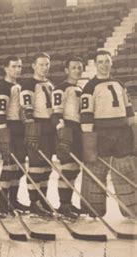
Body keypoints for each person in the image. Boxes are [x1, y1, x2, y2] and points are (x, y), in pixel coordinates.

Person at [80, 50, 137, 218]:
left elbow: (129, 111)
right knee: (96, 171)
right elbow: (86, 115)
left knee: (127, 170)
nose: (105, 65)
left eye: (107, 61)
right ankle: (93, 210)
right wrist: (88, 144)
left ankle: (132, 209)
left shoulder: (119, 83)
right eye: (101, 62)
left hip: (122, 134)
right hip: (101, 135)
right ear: (96, 64)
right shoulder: (90, 87)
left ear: (111, 63)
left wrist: (134, 130)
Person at [19, 52, 55, 218]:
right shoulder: (28, 84)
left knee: (47, 167)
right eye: (41, 64)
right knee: (36, 165)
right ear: (33, 66)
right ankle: (34, 202)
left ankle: (42, 198)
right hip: (37, 127)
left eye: (47, 64)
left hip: (49, 127)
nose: (44, 67)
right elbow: (26, 110)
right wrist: (31, 127)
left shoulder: (50, 84)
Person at [0, 56, 30, 215]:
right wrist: (3, 136)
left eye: (19, 66)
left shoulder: (18, 86)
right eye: (14, 66)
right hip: (9, 129)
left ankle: (13, 201)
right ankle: (2, 204)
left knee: (20, 168)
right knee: (8, 168)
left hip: (20, 129)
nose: (17, 69)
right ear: (6, 68)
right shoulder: (3, 87)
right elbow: (0, 113)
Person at [50, 56, 84, 219]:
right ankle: (63, 205)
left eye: (79, 67)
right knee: (68, 168)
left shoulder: (81, 88)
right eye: (73, 67)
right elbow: (56, 113)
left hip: (79, 130)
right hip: (67, 130)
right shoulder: (61, 88)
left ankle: (68, 202)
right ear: (66, 70)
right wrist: (61, 130)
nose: (77, 70)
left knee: (75, 169)